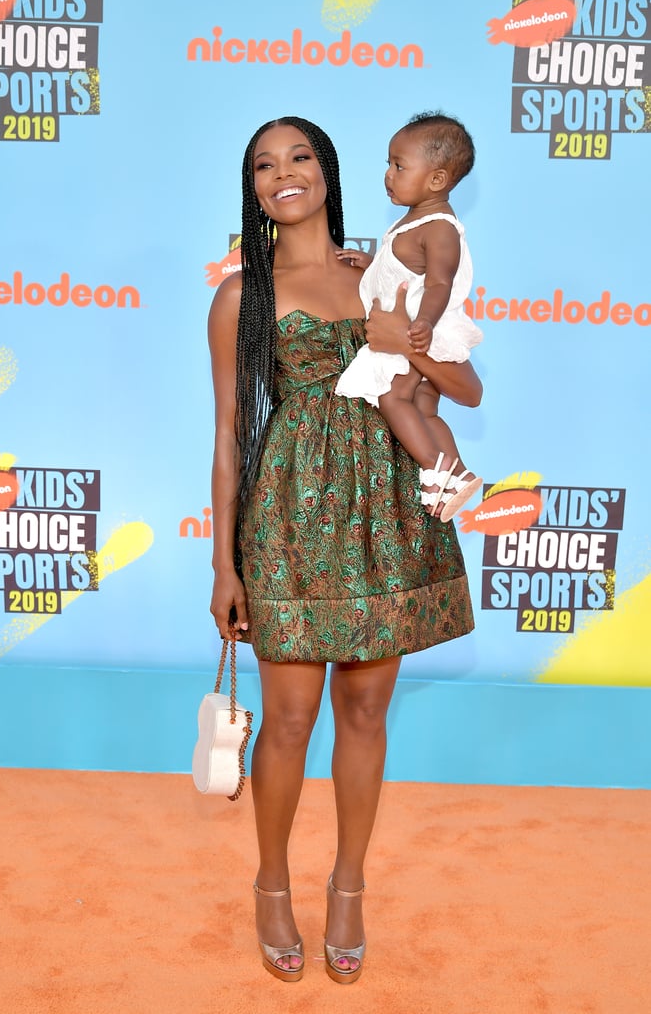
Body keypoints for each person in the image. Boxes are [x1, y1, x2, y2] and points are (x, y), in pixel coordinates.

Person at [208, 116, 481, 985]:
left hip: (382, 509)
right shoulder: (239, 294)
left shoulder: (384, 271)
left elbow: (457, 380)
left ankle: (349, 886)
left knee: (365, 714)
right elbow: (227, 435)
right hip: (288, 517)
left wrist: (405, 335)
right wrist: (224, 562)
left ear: (326, 172)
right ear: (252, 189)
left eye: (297, 158)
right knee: (288, 721)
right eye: (263, 165)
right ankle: (273, 884)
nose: (280, 175)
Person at [335, 111, 483, 522]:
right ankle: (456, 471)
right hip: (415, 328)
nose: (388, 174)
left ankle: (436, 470)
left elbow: (439, 284)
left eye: (399, 166)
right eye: (388, 164)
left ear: (436, 179)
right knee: (425, 409)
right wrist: (371, 264)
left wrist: (424, 325)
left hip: (420, 331)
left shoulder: (439, 228)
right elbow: (403, 273)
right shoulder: (414, 220)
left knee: (392, 397)